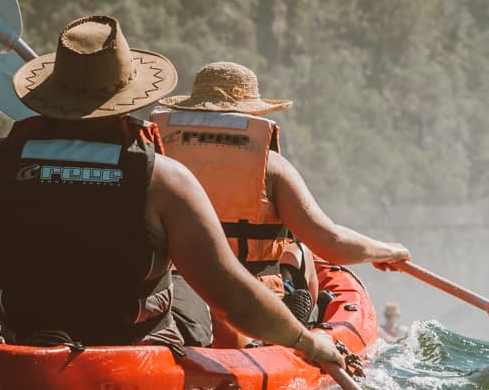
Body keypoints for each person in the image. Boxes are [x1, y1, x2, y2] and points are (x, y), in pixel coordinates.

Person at [0, 15, 347, 371]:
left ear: (49, 96)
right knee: (185, 284)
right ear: (129, 100)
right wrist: (305, 340)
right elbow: (233, 298)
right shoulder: (164, 178)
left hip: (24, 343)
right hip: (131, 355)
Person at [153, 61, 409, 343]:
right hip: (252, 306)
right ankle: (294, 323)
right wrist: (387, 251)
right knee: (299, 251)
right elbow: (331, 243)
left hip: (174, 294)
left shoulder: (161, 162)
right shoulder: (271, 167)